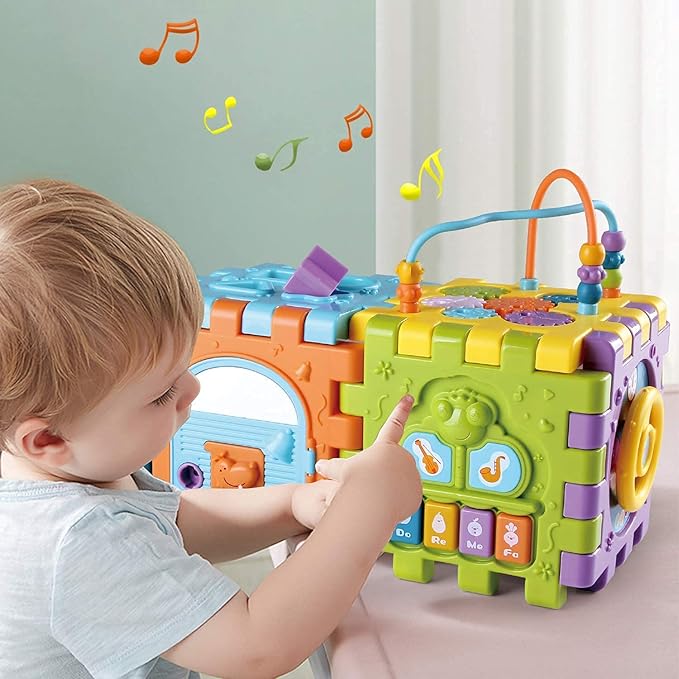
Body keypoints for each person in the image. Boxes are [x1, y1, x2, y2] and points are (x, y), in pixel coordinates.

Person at [0, 179, 422, 678]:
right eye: (161, 393)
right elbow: (255, 647)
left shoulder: (61, 472)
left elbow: (171, 526)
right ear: (47, 439)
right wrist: (368, 510)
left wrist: (291, 505)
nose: (192, 389)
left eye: (185, 367)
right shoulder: (78, 542)